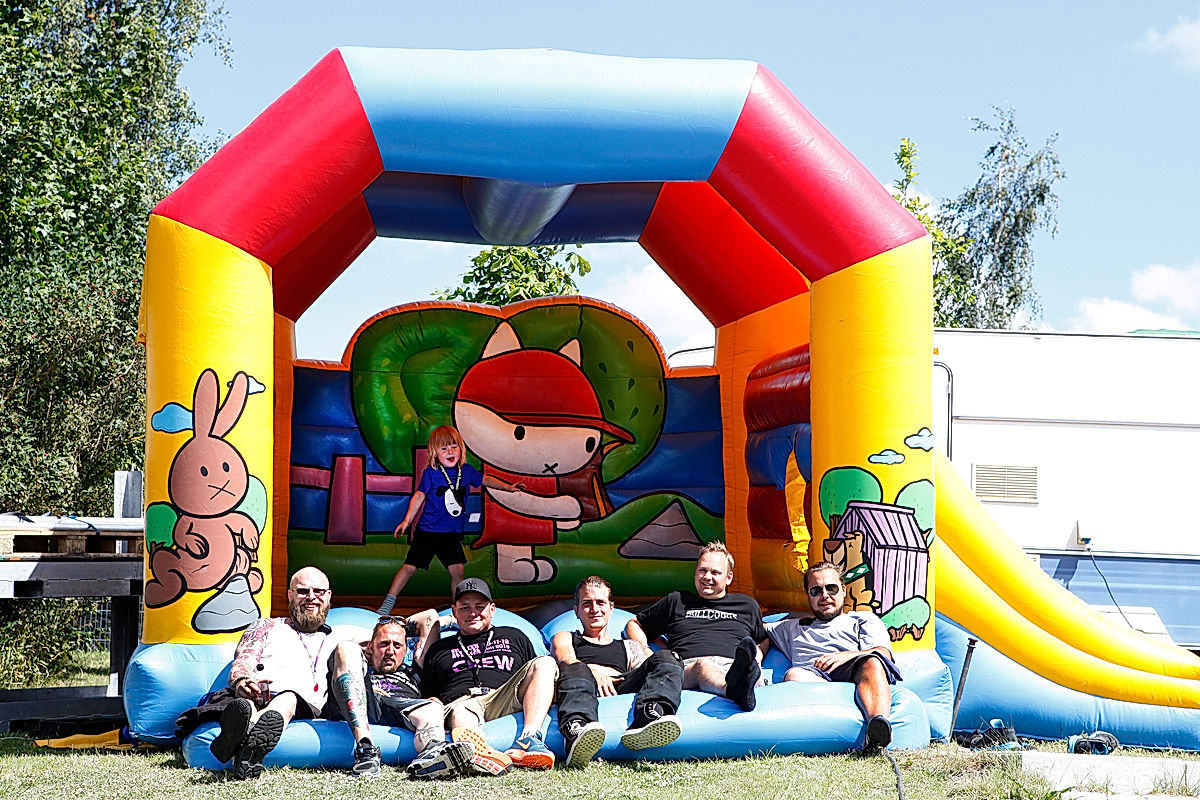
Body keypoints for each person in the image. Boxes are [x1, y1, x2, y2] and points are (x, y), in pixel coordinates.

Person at [209, 566, 371, 779]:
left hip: (314, 705)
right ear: (290, 594)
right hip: (265, 695)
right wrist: (242, 681)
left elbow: (395, 635)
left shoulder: (346, 633)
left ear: (329, 596)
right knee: (249, 704)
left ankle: (245, 738)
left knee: (288, 698)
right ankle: (246, 739)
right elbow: (244, 658)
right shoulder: (266, 626)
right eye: (303, 591)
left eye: (319, 592)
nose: (311, 597)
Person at [377, 425, 524, 614]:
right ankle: (387, 604)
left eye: (454, 446)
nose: (450, 451)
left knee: (457, 572)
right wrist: (407, 521)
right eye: (444, 448)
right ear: (435, 453)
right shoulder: (431, 473)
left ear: (461, 449)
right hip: (428, 532)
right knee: (410, 568)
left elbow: (486, 480)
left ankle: (457, 607)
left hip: (451, 534)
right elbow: (419, 496)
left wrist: (509, 487)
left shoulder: (467, 471)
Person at [420, 577, 559, 773]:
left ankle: (530, 739)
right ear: (454, 612)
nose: (473, 613)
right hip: (461, 703)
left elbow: (535, 678)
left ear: (492, 609)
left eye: (480, 606)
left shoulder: (514, 635)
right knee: (461, 712)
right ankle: (479, 754)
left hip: (503, 697)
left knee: (545, 662)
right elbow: (429, 693)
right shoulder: (439, 648)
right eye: (464, 608)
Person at [766, 560, 901, 752]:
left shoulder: (862, 619)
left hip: (854, 668)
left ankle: (877, 728)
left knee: (872, 661)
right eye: (816, 591)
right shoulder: (790, 627)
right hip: (814, 675)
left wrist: (846, 656)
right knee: (794, 675)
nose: (825, 596)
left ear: (844, 590)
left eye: (831, 588)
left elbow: (882, 652)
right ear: (808, 596)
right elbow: (752, 626)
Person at [552, 576, 685, 768]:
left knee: (668, 657)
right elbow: (565, 659)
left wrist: (614, 675)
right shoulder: (565, 637)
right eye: (587, 604)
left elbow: (647, 672)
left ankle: (650, 715)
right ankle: (577, 729)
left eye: (600, 603)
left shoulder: (628, 646)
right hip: (580, 685)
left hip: (620, 685)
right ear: (576, 611)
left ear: (611, 607)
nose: (595, 609)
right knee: (575, 668)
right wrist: (593, 671)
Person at [327, 611, 474, 779]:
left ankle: (433, 753)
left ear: (406, 649)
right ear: (370, 647)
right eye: (383, 644)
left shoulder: (414, 672)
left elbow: (429, 617)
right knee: (345, 647)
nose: (390, 651)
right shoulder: (361, 670)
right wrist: (378, 630)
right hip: (362, 702)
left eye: (397, 645)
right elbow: (346, 652)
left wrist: (448, 620)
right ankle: (365, 750)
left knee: (433, 707)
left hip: (402, 707)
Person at [625, 542, 768, 712]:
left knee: (750, 670)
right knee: (703, 666)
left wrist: (758, 656)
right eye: (702, 570)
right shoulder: (677, 601)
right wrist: (646, 650)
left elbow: (763, 638)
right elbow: (634, 624)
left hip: (735, 665)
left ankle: (741, 681)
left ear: (729, 577)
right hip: (690, 668)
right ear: (695, 573)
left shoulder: (746, 605)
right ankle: (732, 690)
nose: (707, 577)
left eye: (715, 572)